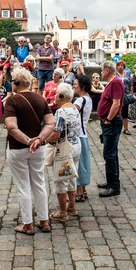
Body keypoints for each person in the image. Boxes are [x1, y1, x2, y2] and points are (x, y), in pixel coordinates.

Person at [4, 67, 55, 234]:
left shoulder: (12, 101)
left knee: (23, 185)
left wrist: (28, 141)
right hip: (39, 148)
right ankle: (44, 220)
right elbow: (50, 123)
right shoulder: (40, 99)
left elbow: (11, 127)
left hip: (18, 148)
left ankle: (27, 223)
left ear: (17, 83)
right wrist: (39, 139)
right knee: (39, 183)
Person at [47, 83, 82, 222]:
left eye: (56, 94)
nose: (54, 96)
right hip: (76, 148)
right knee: (72, 177)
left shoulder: (61, 112)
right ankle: (72, 207)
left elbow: (56, 134)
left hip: (64, 151)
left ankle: (62, 212)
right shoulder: (75, 109)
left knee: (61, 180)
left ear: (61, 96)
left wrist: (44, 140)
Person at [98, 61, 124, 197]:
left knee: (110, 154)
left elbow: (116, 103)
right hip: (108, 122)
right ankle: (111, 181)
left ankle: (114, 185)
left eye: (102, 70)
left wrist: (108, 119)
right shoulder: (112, 83)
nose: (101, 72)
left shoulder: (116, 82)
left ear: (107, 70)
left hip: (112, 122)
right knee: (109, 153)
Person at [72, 74, 93, 203]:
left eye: (76, 84)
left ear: (82, 86)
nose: (74, 86)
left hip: (77, 134)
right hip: (83, 134)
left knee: (78, 164)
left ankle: (78, 192)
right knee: (84, 163)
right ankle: (83, 190)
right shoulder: (88, 98)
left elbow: (72, 114)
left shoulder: (79, 100)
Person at [116, 61, 133, 135]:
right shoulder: (115, 74)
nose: (120, 66)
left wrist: (131, 94)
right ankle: (117, 127)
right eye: (119, 65)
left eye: (122, 65)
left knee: (125, 112)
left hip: (126, 94)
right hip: (117, 95)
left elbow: (131, 84)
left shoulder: (127, 74)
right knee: (117, 111)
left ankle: (126, 128)